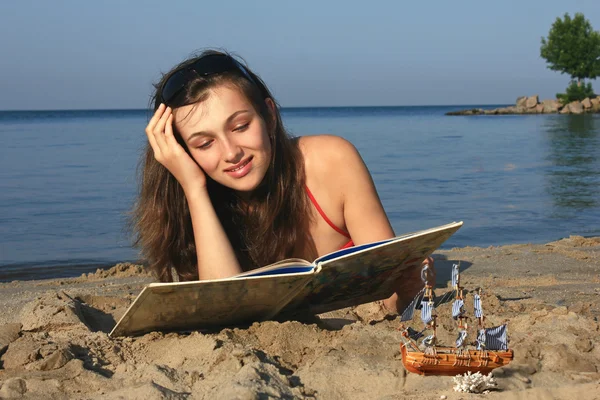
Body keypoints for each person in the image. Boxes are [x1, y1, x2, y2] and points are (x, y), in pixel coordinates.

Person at [131, 49, 434, 315]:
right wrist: (193, 189)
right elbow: (223, 306)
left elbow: (389, 285)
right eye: (203, 143)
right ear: (181, 153)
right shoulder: (191, 202)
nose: (231, 152)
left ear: (269, 116)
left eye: (240, 126)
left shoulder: (330, 160)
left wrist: (409, 288)